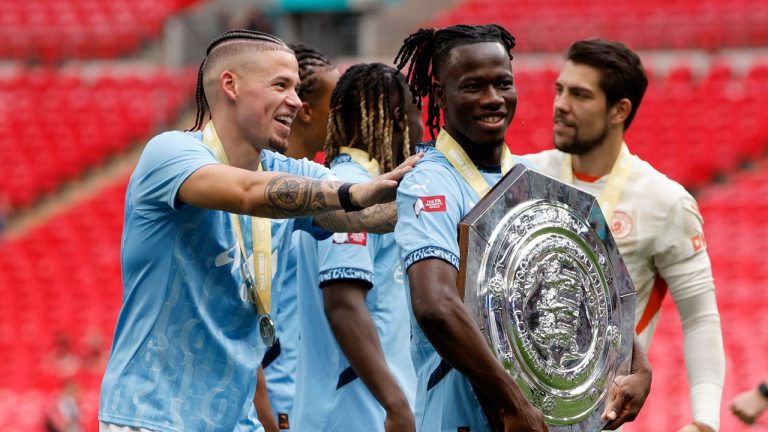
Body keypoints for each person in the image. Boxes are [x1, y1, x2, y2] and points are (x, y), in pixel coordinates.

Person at [98, 29, 419, 432]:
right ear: (230, 85)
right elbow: (250, 194)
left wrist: (427, 196)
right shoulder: (169, 154)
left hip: (236, 421)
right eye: (281, 85)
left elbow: (362, 216)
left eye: (298, 89)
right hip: (152, 417)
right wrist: (357, 191)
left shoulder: (289, 170)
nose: (297, 101)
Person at [393, 24, 652, 432]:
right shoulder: (430, 183)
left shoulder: (530, 175)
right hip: (464, 418)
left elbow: (596, 288)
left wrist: (638, 365)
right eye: (473, 86)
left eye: (503, 84)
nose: (493, 98)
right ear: (441, 95)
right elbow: (435, 306)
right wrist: (514, 403)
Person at [525, 38, 725, 432]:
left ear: (619, 110)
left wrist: (704, 422)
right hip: (510, 415)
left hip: (591, 421)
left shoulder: (665, 202)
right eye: (559, 90)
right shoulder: (524, 177)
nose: (561, 104)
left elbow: (700, 317)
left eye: (580, 95)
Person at [291, 62, 421, 432]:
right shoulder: (346, 184)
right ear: (397, 118)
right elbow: (343, 304)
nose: (420, 129)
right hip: (356, 411)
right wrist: (396, 404)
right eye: (416, 116)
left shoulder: (353, 184)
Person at [254, 43, 341, 432]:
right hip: (275, 393)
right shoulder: (261, 187)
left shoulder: (319, 182)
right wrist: (263, 408)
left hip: (308, 392)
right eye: (337, 105)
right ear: (306, 110)